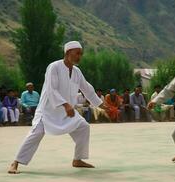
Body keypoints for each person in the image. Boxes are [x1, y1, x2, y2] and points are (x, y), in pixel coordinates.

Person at [8, 41, 106, 174]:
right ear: (67, 53)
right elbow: (51, 89)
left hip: (67, 112)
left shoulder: (77, 72)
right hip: (48, 111)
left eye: (81, 54)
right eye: (77, 53)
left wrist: (102, 105)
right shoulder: (54, 67)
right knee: (36, 133)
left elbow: (87, 89)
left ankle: (77, 160)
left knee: (83, 127)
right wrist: (66, 105)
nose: (79, 56)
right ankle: (15, 163)